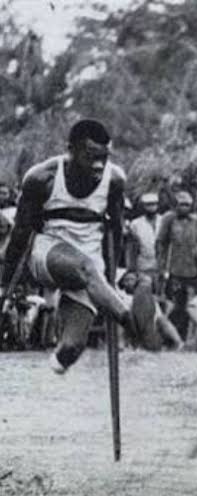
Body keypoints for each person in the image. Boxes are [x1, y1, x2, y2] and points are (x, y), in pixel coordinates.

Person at [0, 119, 149, 373]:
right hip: (48, 252)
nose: (98, 165)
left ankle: (56, 367)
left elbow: (114, 231)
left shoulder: (114, 180)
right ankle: (132, 322)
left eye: (103, 157)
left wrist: (108, 282)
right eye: (91, 157)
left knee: (72, 347)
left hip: (89, 262)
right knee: (85, 267)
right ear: (71, 149)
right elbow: (20, 234)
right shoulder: (40, 178)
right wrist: (4, 282)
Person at [156, 190, 197, 340]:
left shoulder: (195, 220)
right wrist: (163, 267)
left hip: (191, 270)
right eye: (182, 205)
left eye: (188, 205)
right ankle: (167, 337)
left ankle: (191, 338)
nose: (185, 208)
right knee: (171, 305)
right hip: (173, 269)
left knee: (191, 306)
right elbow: (161, 243)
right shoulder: (169, 219)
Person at [128, 192, 162, 287]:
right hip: (143, 266)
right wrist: (131, 268)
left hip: (161, 266)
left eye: (154, 204)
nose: (151, 207)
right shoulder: (136, 224)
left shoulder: (163, 221)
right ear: (144, 206)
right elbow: (132, 249)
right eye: (148, 205)